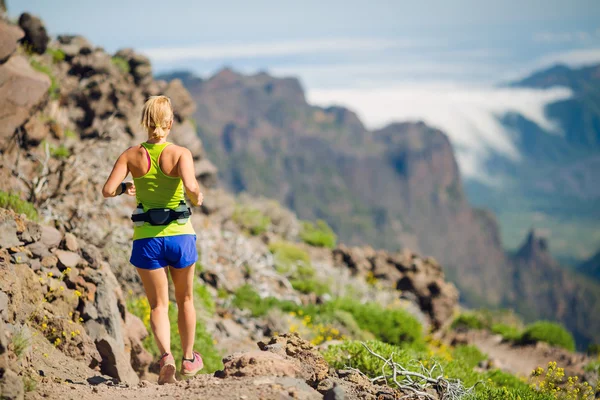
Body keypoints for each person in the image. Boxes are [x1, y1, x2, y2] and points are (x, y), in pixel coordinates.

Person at [102, 95, 204, 384]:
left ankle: (166, 358)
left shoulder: (131, 155)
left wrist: (125, 188)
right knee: (185, 299)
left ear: (145, 123)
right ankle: (188, 358)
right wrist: (197, 197)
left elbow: (108, 190)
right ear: (170, 122)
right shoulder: (181, 153)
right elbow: (192, 187)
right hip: (180, 236)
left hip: (147, 239)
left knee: (159, 305)